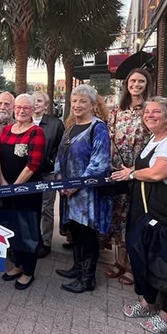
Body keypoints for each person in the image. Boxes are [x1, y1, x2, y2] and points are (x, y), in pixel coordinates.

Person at [112, 97, 167, 334]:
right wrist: (133, 170)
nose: (149, 115)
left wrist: (131, 175)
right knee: (145, 256)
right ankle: (147, 303)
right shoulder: (155, 139)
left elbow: (158, 173)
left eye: (156, 111)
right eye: (147, 111)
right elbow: (146, 168)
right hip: (151, 212)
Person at [54, 85, 111, 294]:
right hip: (68, 193)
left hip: (87, 195)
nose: (77, 105)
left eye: (82, 101)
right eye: (74, 101)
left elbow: (99, 162)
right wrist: (60, 180)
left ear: (93, 105)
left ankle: (87, 279)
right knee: (75, 232)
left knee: (87, 234)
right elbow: (59, 157)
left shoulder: (98, 128)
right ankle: (77, 268)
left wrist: (76, 185)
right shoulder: (70, 127)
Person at [102, 68, 153, 285]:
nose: (136, 85)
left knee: (134, 218)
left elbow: (154, 142)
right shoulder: (116, 111)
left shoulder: (150, 109)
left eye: (141, 81)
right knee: (118, 216)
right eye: (132, 81)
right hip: (118, 171)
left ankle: (133, 265)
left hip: (139, 172)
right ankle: (120, 261)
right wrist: (111, 165)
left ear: (147, 84)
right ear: (127, 84)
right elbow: (110, 138)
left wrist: (134, 168)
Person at [0, 94, 45, 290]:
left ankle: (28, 271)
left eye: (26, 108)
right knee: (12, 228)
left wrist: (15, 187)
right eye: (18, 107)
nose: (22, 111)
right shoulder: (6, 130)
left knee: (27, 230)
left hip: (27, 192)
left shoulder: (36, 132)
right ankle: (17, 264)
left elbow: (33, 164)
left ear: (32, 110)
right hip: (6, 188)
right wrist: (2, 182)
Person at [30, 92, 65, 258]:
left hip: (47, 173)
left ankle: (45, 242)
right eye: (33, 101)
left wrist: (51, 162)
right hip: (28, 174)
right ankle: (31, 238)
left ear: (46, 105)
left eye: (39, 101)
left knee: (46, 209)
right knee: (30, 207)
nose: (36, 104)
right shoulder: (23, 120)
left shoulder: (55, 124)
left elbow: (61, 148)